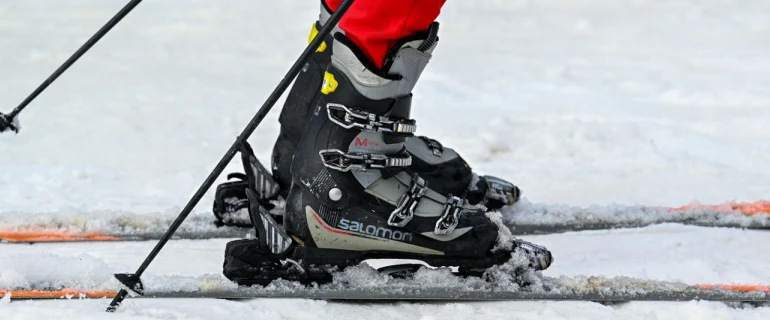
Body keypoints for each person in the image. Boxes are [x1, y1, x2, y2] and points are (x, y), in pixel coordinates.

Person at [223, 0, 551, 285]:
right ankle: (339, 193)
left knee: (364, 11)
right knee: (390, 11)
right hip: (339, 188)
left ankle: (316, 145)